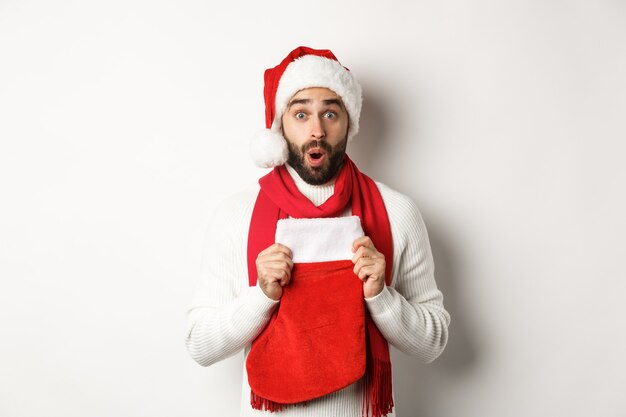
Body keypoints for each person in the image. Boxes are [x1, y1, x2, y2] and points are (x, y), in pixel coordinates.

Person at [185, 46, 450, 417]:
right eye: (300, 113)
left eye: (330, 112)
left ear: (350, 122)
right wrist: (261, 296)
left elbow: (433, 342)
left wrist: (381, 296)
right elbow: (200, 344)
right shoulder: (236, 215)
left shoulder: (396, 212)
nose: (316, 130)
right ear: (280, 125)